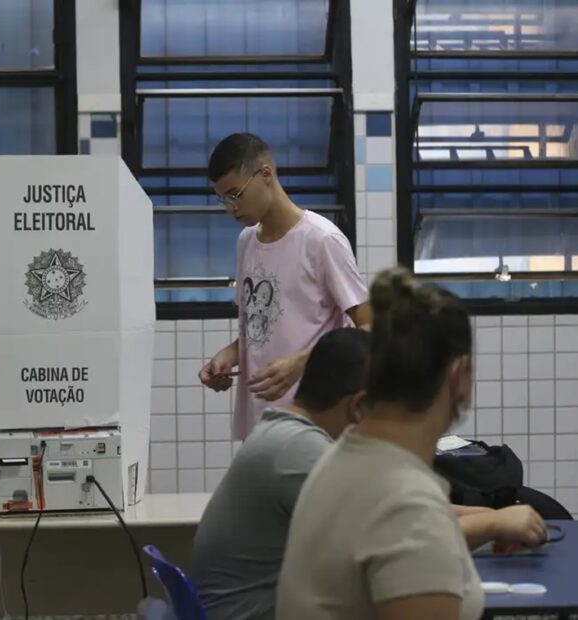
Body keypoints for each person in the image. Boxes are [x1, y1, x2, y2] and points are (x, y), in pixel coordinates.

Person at [193, 327, 547, 620]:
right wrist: (495, 525)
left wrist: (495, 515)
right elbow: (406, 534)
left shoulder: (287, 435)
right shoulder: (298, 452)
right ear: (359, 407)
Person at [276, 268, 548, 620]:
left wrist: (490, 522)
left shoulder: (341, 461)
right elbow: (408, 523)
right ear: (459, 375)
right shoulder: (408, 504)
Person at [197, 133, 371, 439]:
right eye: (223, 198)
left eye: (235, 194)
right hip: (260, 423)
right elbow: (261, 327)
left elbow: (371, 328)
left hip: (315, 423)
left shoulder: (321, 241)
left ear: (266, 175)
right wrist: (229, 355)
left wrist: (302, 362)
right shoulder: (247, 242)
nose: (231, 208)